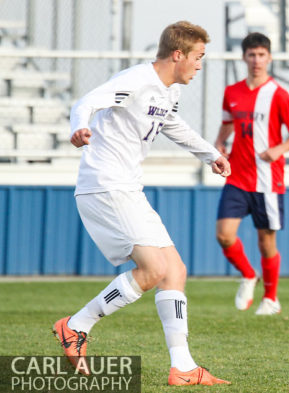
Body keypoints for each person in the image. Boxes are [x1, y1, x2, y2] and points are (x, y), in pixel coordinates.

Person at [53, 21, 231, 385]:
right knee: (151, 270)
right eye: (197, 57)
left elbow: (172, 125)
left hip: (128, 189)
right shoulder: (136, 80)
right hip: (105, 185)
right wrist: (79, 127)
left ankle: (183, 367)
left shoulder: (168, 93)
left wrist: (210, 154)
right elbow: (85, 101)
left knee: (174, 270)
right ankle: (75, 326)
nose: (200, 65)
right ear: (178, 54)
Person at [214, 32, 289, 315]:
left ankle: (271, 299)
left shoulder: (278, 94)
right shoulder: (232, 92)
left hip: (267, 178)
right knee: (224, 235)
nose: (256, 60)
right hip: (237, 175)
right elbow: (228, 123)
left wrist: (278, 149)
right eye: (251, 55)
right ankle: (247, 274)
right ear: (244, 57)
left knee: (266, 241)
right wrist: (219, 144)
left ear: (269, 58)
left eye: (261, 55)